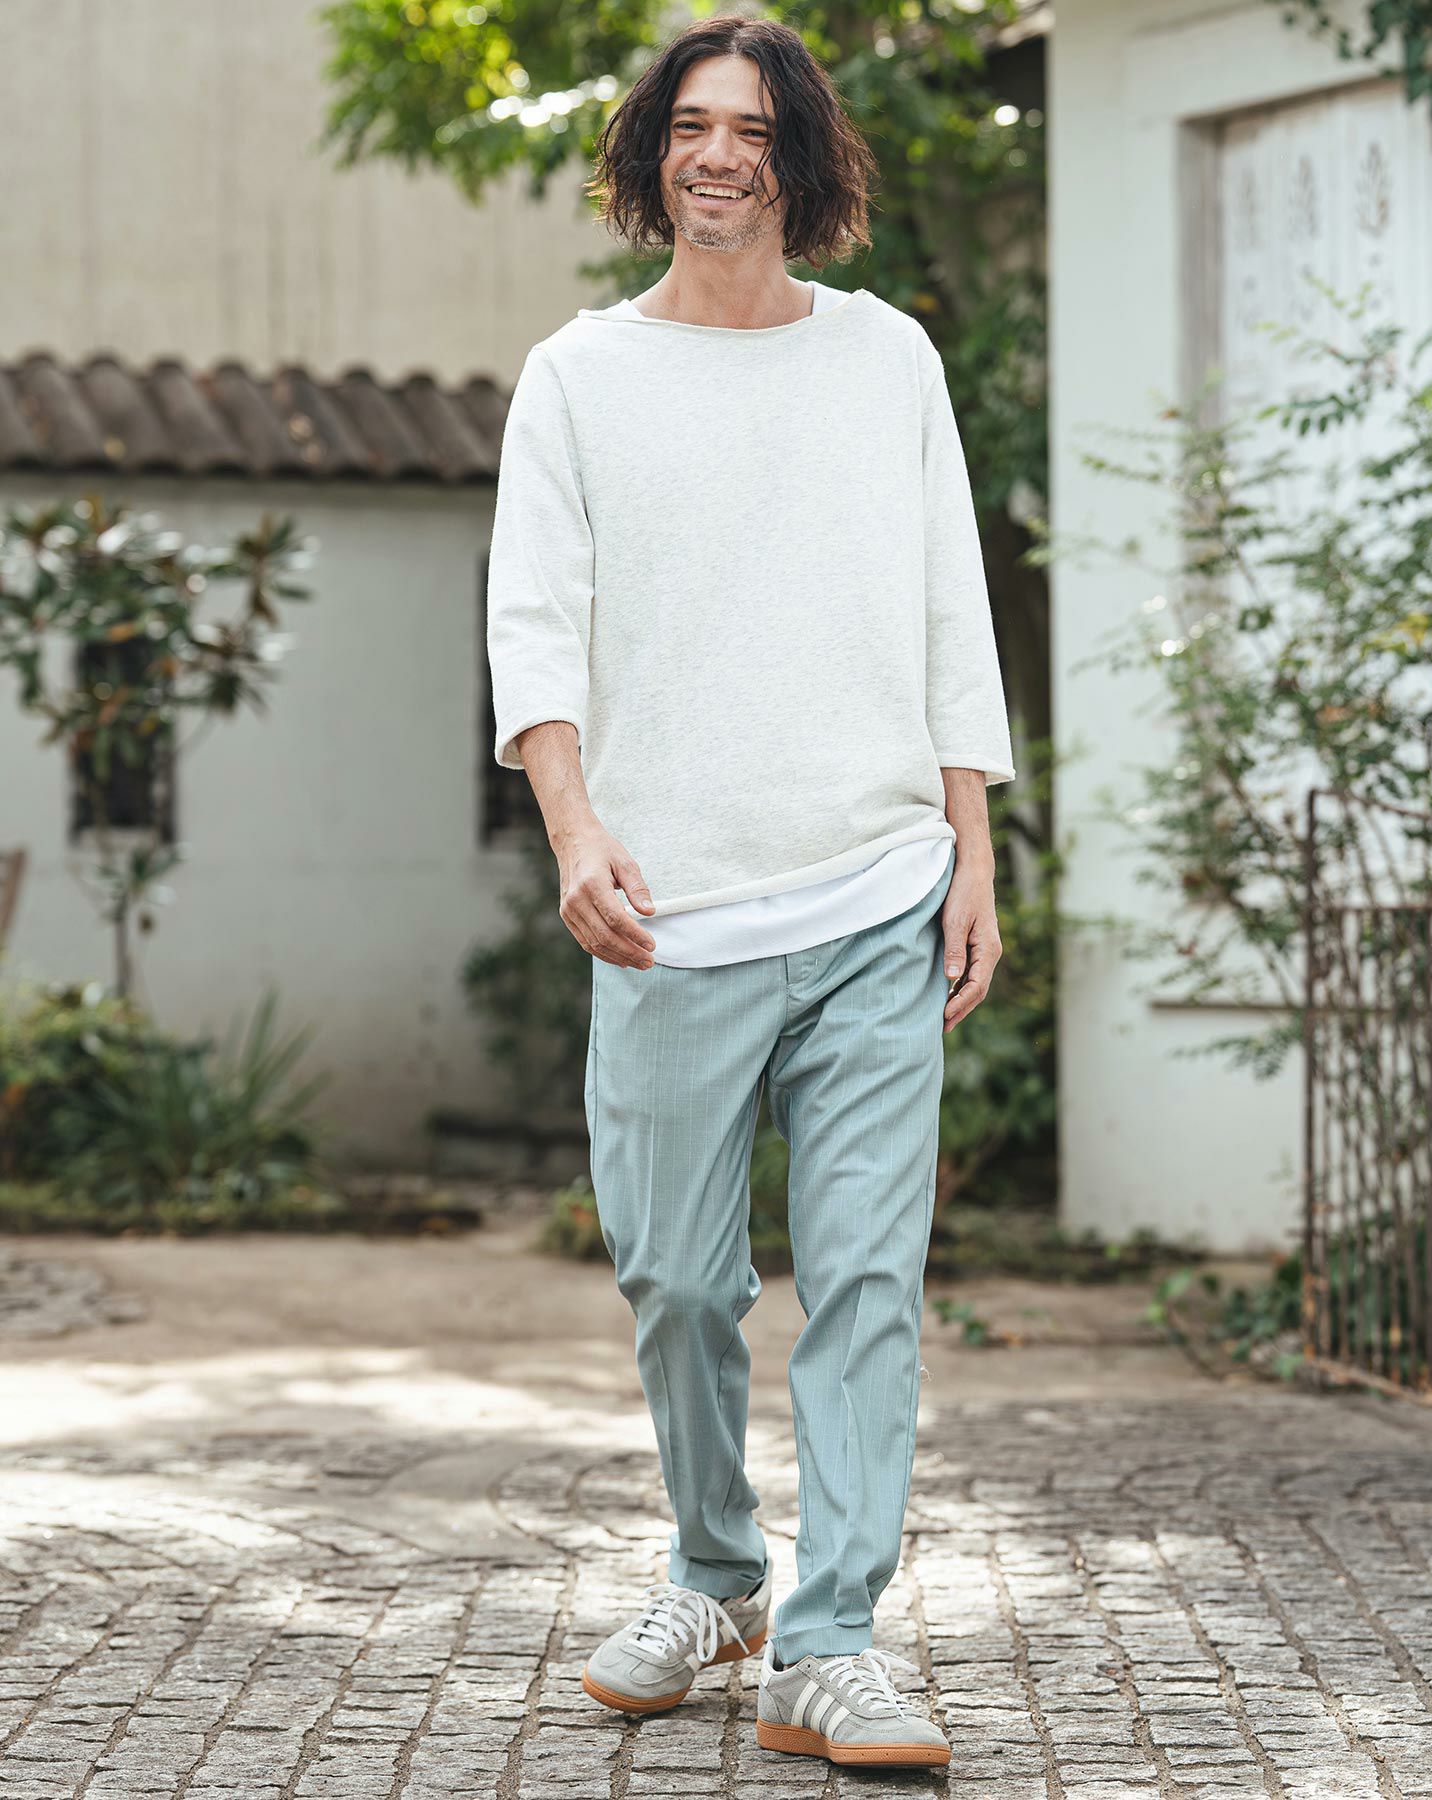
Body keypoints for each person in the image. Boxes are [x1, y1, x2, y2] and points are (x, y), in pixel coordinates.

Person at [485, 13, 1013, 1774]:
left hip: (877, 890)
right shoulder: (580, 376)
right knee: (678, 1281)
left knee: (866, 1280)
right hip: (668, 912)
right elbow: (533, 626)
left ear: (804, 161)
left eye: (758, 129)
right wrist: (573, 831)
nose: (724, 156)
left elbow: (950, 608)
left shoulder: (887, 361)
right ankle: (716, 1571)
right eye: (696, 126)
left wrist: (973, 851)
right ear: (655, 154)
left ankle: (830, 1638)